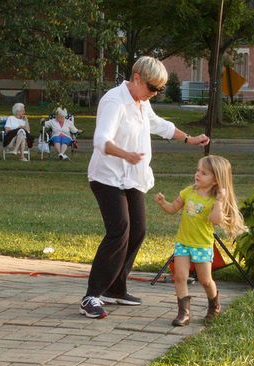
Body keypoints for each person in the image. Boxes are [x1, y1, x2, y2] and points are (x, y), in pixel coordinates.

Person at [80, 55, 210, 319]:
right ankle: (91, 295)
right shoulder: (115, 101)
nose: (155, 94)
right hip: (107, 177)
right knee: (120, 229)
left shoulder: (141, 102)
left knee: (138, 230)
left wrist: (189, 139)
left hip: (133, 178)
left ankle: (115, 288)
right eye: (152, 88)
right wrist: (124, 154)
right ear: (136, 78)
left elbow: (159, 124)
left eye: (159, 90)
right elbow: (100, 140)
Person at [154, 155, 245, 326]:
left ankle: (214, 305)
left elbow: (216, 220)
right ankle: (184, 313)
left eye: (203, 173)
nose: (197, 174)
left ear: (215, 180)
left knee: (205, 280)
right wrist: (162, 202)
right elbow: (173, 208)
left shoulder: (214, 200)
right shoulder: (188, 191)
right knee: (180, 276)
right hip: (183, 242)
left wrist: (219, 201)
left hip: (202, 245)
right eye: (197, 170)